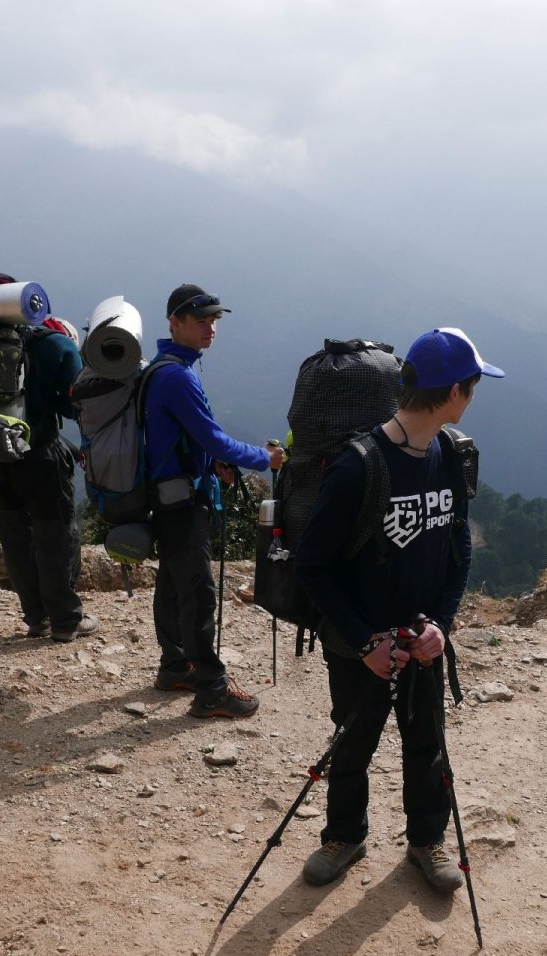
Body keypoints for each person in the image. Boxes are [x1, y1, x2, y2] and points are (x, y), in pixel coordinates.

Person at [294, 327, 503, 892]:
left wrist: (440, 624)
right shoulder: (357, 467)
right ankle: (344, 835)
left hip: (420, 639)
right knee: (353, 738)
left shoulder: (451, 455)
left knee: (426, 741)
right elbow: (312, 565)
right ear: (456, 391)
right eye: (475, 384)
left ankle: (427, 841)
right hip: (359, 645)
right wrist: (365, 641)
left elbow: (457, 552)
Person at [146, 284, 284, 718]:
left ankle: (175, 666)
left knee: (172, 582)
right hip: (182, 502)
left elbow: (190, 440)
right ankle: (211, 688)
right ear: (175, 322)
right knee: (198, 591)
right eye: (201, 320)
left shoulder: (165, 368)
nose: (210, 328)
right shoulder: (177, 376)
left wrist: (209, 465)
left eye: (214, 321)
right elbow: (213, 437)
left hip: (168, 496)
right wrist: (265, 458)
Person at [0, 316, 97, 643]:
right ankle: (65, 620)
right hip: (39, 458)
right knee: (56, 534)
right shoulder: (60, 346)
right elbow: (76, 404)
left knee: (15, 537)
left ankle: (36, 618)